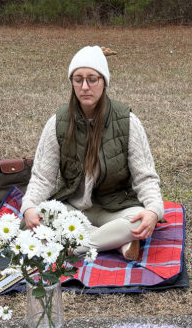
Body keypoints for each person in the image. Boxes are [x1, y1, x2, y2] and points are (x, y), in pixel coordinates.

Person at [20, 45, 163, 261]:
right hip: (74, 210)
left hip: (115, 208)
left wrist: (153, 210)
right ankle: (116, 243)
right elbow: (42, 177)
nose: (85, 86)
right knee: (34, 220)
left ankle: (73, 248)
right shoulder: (57, 123)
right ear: (72, 83)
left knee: (137, 219)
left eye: (92, 79)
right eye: (78, 79)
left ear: (104, 82)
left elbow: (145, 177)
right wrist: (29, 207)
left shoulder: (127, 122)